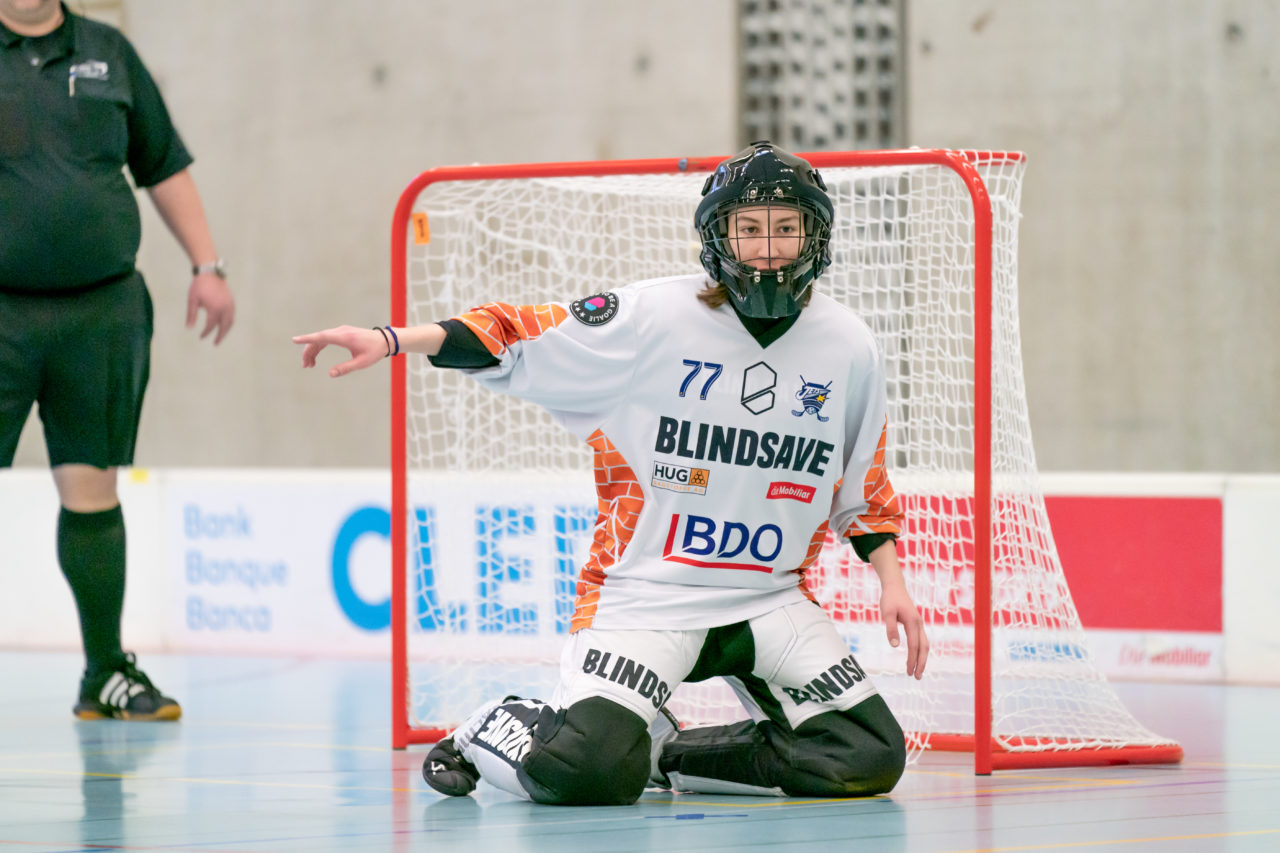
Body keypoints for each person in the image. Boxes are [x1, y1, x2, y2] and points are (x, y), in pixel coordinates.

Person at [294, 140, 928, 804]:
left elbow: (864, 484)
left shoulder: (849, 344)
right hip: (645, 599)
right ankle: (493, 725)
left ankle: (667, 752)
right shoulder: (651, 319)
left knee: (866, 755)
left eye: (785, 228)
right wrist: (394, 337)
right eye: (749, 229)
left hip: (767, 599)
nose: (767, 248)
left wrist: (892, 580)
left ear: (814, 237)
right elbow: (517, 331)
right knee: (586, 771)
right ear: (719, 236)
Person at [1, 0, 234, 720]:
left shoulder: (109, 51)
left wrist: (208, 264)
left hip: (101, 314)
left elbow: (162, 162)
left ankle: (104, 672)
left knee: (92, 489)